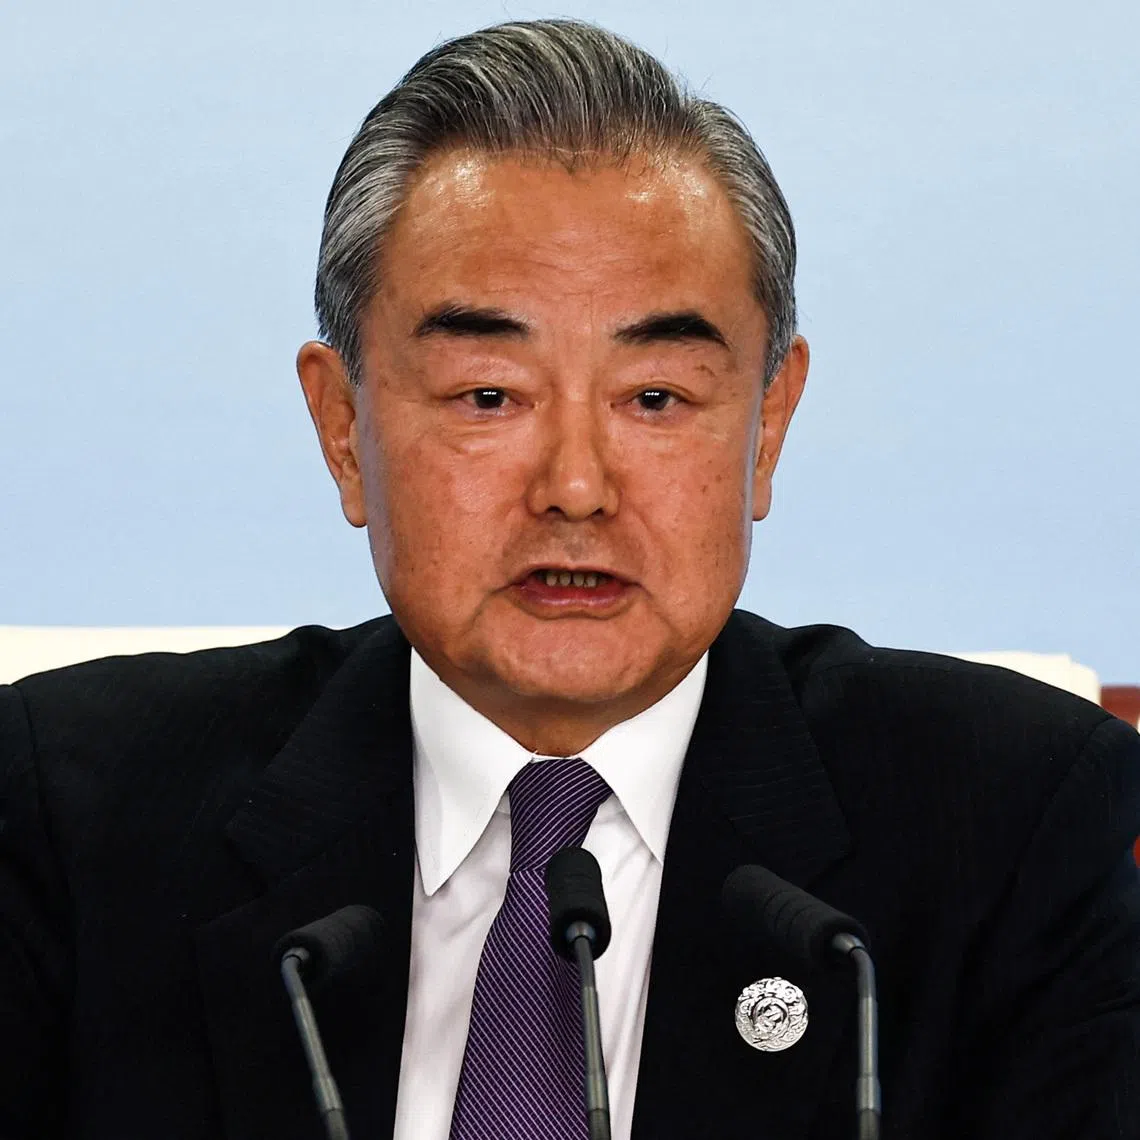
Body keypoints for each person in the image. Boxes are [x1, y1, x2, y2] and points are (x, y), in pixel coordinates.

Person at [1, 19, 1138, 1140]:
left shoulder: (1015, 824)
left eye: (655, 399)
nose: (578, 489)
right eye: (489, 395)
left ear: (768, 429)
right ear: (343, 428)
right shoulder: (72, 817)